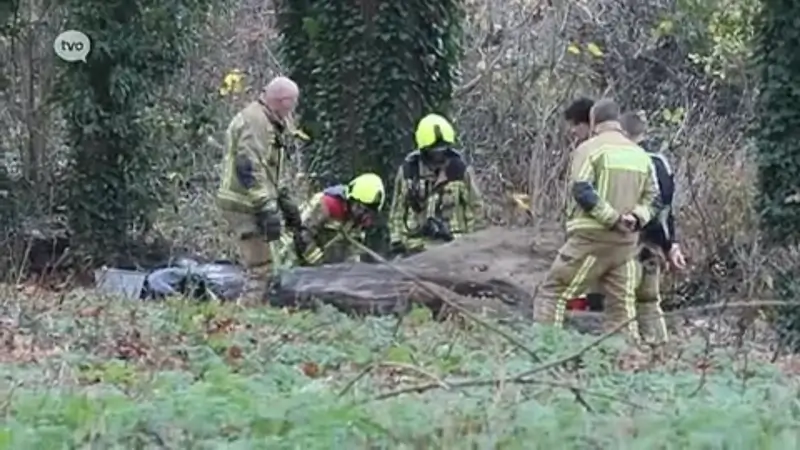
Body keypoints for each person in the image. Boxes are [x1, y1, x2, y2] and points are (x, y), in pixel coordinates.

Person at [533, 99, 661, 341]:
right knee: (622, 306)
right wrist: (634, 218)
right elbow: (655, 198)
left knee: (553, 293)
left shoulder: (590, 149)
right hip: (625, 244)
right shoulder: (640, 154)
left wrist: (612, 218)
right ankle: (628, 359)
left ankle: (544, 351)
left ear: (593, 121)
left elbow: (582, 190)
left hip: (591, 238)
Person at [215, 76, 304, 291]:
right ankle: (247, 317)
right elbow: (248, 166)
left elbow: (268, 170)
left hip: (250, 200)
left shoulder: (267, 121)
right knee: (261, 268)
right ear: (283, 101)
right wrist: (265, 205)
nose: (293, 109)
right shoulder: (256, 122)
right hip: (243, 203)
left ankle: (256, 315)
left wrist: (286, 203)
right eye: (293, 103)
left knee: (269, 264)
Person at [619, 111, 687, 344]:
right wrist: (670, 245)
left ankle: (631, 352)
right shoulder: (661, 162)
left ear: (623, 133)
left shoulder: (623, 160)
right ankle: (660, 350)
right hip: (656, 246)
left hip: (629, 244)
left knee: (624, 301)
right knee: (649, 300)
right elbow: (666, 209)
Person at [388, 113, 483, 256]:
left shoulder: (459, 170)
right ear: (424, 150)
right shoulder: (408, 171)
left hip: (454, 246)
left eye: (443, 150)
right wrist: (397, 240)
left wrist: (474, 244)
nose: (439, 156)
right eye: (434, 151)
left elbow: (476, 209)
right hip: (415, 247)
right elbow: (398, 210)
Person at [275, 173, 386, 267]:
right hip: (293, 259)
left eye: (369, 212)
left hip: (323, 269)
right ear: (352, 199)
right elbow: (301, 233)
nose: (363, 215)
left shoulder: (356, 221)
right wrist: (318, 264)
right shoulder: (328, 204)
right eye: (362, 209)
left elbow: (352, 251)